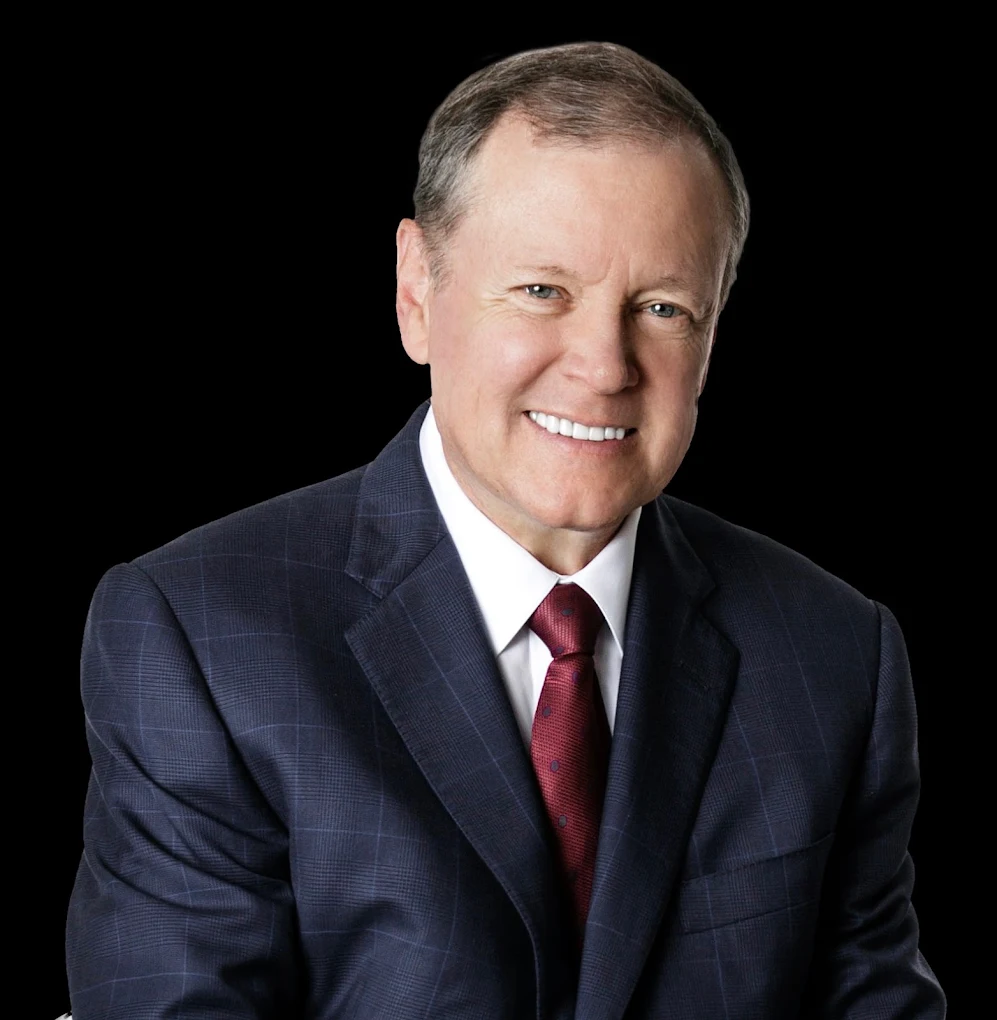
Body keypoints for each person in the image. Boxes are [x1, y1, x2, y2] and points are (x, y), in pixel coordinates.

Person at [66, 42, 946, 1018]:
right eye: (542, 291)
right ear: (416, 291)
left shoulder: (835, 654)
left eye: (661, 307)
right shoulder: (202, 636)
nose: (603, 365)